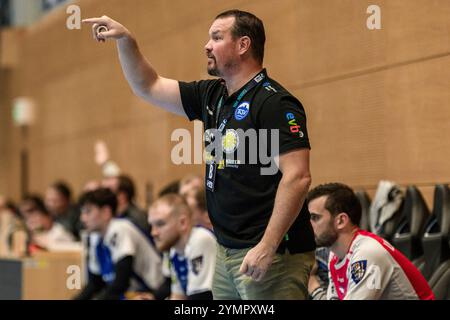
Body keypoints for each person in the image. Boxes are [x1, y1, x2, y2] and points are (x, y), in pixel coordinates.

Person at [83, 9, 316, 299]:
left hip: (272, 253)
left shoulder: (274, 102)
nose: (207, 45)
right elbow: (147, 85)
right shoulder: (211, 96)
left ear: (243, 45)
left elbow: (298, 177)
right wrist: (126, 41)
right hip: (226, 250)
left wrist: (267, 246)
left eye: (216, 37)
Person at [307, 183, 434, 300]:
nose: (307, 225)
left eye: (314, 218)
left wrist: (312, 284)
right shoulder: (335, 254)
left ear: (341, 221)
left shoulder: (368, 252)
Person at [75, 188, 164, 300]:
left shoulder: (120, 229)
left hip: (153, 292)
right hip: (131, 294)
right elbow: (95, 283)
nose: (82, 218)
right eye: (82, 212)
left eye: (88, 212)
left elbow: (121, 282)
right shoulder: (95, 237)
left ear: (106, 212)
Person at [148, 193, 216, 300]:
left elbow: (200, 298)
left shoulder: (200, 239)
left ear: (183, 222)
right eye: (151, 225)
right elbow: (178, 296)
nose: (153, 232)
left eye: (160, 224)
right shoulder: (174, 250)